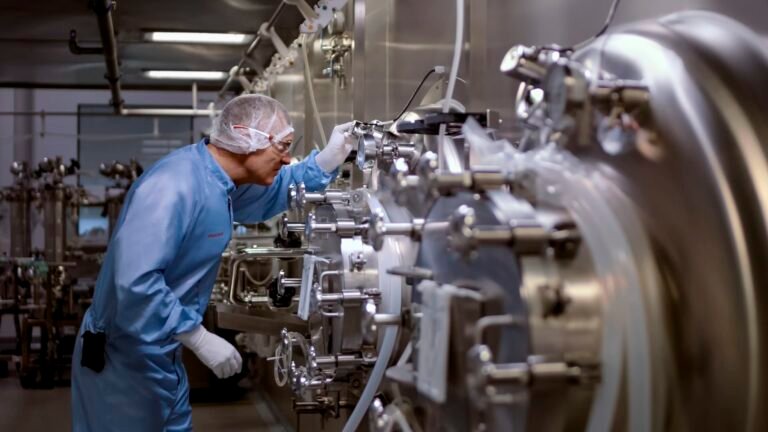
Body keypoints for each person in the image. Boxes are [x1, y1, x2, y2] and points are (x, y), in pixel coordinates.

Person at [71, 94, 355, 431]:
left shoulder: (219, 183)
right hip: (121, 358)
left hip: (160, 352)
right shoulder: (173, 185)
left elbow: (275, 191)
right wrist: (197, 336)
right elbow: (134, 280)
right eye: (281, 146)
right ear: (244, 136)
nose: (286, 157)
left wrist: (327, 160)